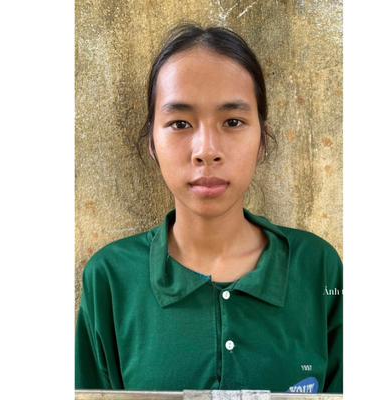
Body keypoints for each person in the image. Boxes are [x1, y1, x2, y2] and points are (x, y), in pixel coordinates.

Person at [75, 23, 343, 393]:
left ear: (262, 139)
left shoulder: (318, 267)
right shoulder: (111, 277)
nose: (206, 150)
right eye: (179, 123)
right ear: (152, 141)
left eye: (232, 121)